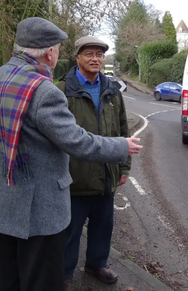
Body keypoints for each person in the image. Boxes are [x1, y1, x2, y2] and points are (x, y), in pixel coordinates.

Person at [0, 18, 142, 291]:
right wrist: (122, 147)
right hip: (38, 211)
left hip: (1, 200)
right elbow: (77, 142)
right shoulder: (44, 91)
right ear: (50, 52)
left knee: (9, 276)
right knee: (41, 281)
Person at [56, 36, 131, 289]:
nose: (95, 58)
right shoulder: (62, 90)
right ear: (77, 58)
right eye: (89, 53)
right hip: (74, 175)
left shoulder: (112, 90)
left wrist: (124, 167)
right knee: (70, 230)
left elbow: (123, 130)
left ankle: (97, 264)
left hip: (107, 173)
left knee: (103, 226)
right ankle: (65, 272)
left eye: (99, 54)